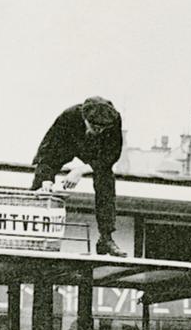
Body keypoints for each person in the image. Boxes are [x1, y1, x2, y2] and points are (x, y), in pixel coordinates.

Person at [31, 96, 126, 257]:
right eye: (94, 127)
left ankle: (106, 237)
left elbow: (112, 155)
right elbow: (47, 151)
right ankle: (33, 233)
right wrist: (46, 179)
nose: (98, 131)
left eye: (102, 129)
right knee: (41, 179)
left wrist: (80, 170)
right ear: (84, 118)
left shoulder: (114, 121)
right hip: (67, 145)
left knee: (106, 178)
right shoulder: (69, 116)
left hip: (95, 151)